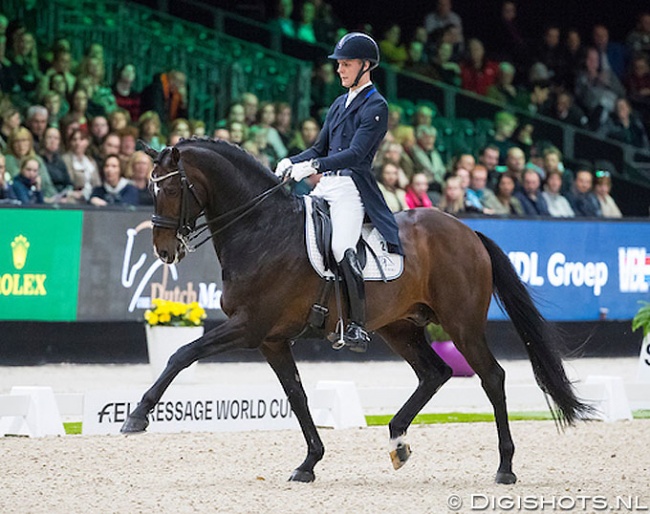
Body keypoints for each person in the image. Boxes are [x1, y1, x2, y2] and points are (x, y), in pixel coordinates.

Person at [274, 32, 403, 352]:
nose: (339, 70)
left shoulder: (376, 106)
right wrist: (292, 160)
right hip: (328, 184)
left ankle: (357, 325)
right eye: (340, 64)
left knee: (341, 244)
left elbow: (357, 154)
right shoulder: (338, 102)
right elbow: (319, 147)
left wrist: (313, 165)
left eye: (346, 64)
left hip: (351, 188)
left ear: (365, 65)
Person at [411, 124, 446, 191]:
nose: (430, 140)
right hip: (422, 187)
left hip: (438, 186)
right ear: (419, 138)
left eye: (432, 137)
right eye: (426, 137)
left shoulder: (435, 153)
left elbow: (442, 170)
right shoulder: (413, 153)